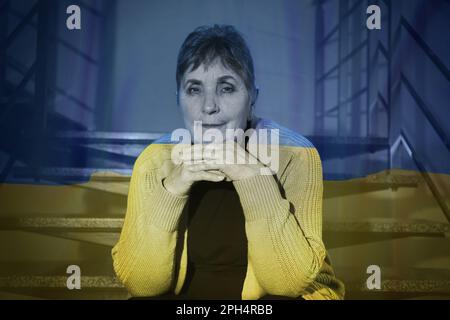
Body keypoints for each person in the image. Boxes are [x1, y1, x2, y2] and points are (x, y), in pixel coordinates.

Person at [112, 24, 344, 300]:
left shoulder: (293, 153)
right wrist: (171, 189)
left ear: (252, 97)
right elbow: (142, 285)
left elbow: (286, 283)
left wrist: (251, 175)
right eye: (194, 89)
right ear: (178, 98)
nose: (209, 106)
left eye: (226, 88)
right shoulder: (155, 160)